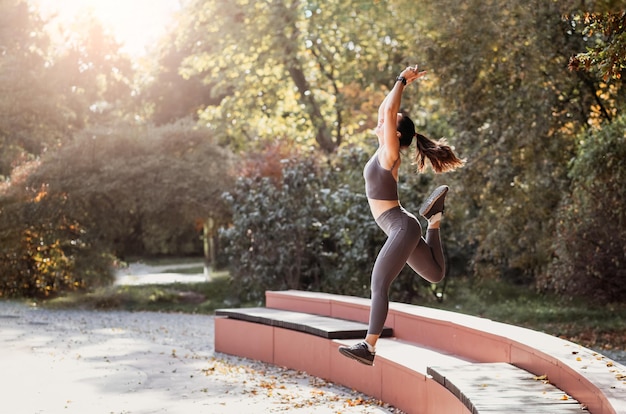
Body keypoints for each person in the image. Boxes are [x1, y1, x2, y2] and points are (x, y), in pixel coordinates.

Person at [338, 65, 465, 366]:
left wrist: (401, 82)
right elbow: (387, 107)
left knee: (378, 282)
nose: (381, 119)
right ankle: (434, 220)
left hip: (400, 226)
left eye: (387, 121)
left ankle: (368, 347)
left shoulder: (389, 154)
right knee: (435, 274)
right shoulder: (383, 149)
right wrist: (400, 83)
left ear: (395, 135)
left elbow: (391, 106)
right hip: (403, 225)